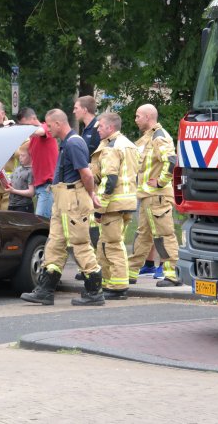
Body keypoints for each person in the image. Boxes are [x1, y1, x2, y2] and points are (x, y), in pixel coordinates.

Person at [21, 109, 105, 306]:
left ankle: (94, 291)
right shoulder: (67, 142)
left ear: (58, 124)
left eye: (49, 126)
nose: (48, 130)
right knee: (55, 243)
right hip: (62, 199)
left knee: (80, 243)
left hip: (72, 199)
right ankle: (45, 290)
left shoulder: (74, 143)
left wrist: (90, 194)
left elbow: (87, 174)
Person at [127, 104, 182, 287]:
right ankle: (130, 272)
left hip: (157, 197)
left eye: (138, 116)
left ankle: (172, 274)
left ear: (148, 117)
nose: (135, 120)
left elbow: (172, 161)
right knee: (142, 235)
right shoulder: (147, 138)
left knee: (164, 235)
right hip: (147, 197)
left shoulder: (159, 137)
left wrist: (160, 181)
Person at [90, 112, 139, 300]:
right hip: (126, 202)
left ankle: (118, 286)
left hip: (113, 204)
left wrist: (99, 207)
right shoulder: (129, 145)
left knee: (112, 244)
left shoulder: (111, 148)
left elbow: (109, 180)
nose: (98, 129)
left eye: (100, 126)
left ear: (110, 128)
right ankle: (108, 281)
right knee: (106, 242)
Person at [16, 107, 58, 219]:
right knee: (44, 223)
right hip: (40, 186)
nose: (24, 129)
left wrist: (16, 128)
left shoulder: (45, 128)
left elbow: (41, 131)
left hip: (47, 185)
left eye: (25, 125)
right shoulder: (32, 138)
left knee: (40, 222)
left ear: (34, 118)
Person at [6, 147, 34, 213]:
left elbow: (31, 192)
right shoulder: (17, 169)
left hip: (24, 206)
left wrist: (14, 191)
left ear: (31, 156)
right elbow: (10, 183)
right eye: (20, 155)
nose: (20, 157)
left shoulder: (31, 171)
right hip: (11, 205)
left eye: (23, 155)